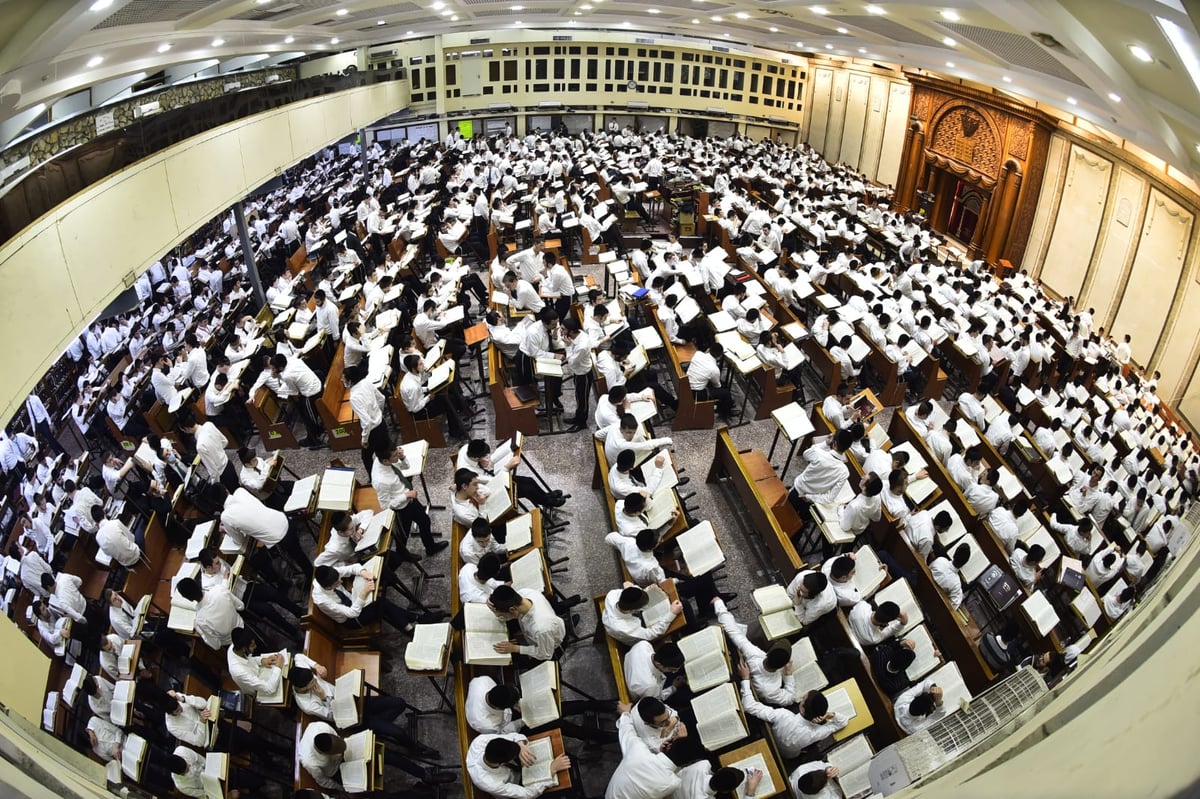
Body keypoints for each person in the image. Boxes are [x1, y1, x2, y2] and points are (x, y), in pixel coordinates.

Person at [290, 658, 447, 776]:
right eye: (311, 683)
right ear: (302, 687)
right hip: (350, 718)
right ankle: (415, 747)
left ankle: (378, 728)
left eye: (313, 678)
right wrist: (325, 698)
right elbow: (333, 716)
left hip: (353, 700)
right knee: (397, 732)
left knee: (399, 703)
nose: (315, 682)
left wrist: (316, 666)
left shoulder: (302, 671)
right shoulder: (307, 705)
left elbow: (299, 657)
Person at [737, 661, 848, 758]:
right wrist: (830, 715)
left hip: (771, 739)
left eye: (803, 699)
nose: (802, 698)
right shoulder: (814, 733)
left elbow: (749, 706)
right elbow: (842, 722)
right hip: (788, 755)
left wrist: (745, 680)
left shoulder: (783, 715)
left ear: (803, 710)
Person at [300, 722, 456, 790]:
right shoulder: (311, 763)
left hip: (346, 750)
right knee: (372, 789)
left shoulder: (319, 727)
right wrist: (343, 789)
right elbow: (324, 781)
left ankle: (424, 775)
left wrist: (343, 749)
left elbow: (339, 739)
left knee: (391, 757)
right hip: (337, 771)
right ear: (325, 754)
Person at [372, 442, 449, 557]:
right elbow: (385, 505)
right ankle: (402, 555)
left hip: (410, 499)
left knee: (424, 521)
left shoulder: (384, 460)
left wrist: (402, 457)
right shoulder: (381, 480)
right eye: (394, 455)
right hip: (401, 509)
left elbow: (406, 467)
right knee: (403, 535)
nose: (397, 456)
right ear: (385, 461)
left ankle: (430, 548)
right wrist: (406, 495)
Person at [713, 598, 795, 706]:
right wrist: (788, 675)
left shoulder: (754, 654)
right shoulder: (771, 690)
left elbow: (732, 631)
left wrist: (719, 604)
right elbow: (790, 699)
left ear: (767, 653)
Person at [465, 733, 570, 797]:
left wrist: (520, 745)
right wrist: (550, 771)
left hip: (513, 770)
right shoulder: (490, 783)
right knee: (562, 783)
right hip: (514, 785)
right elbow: (527, 794)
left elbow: (512, 736)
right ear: (503, 763)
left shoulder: (481, 741)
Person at [487, 585, 567, 662]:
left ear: (512, 609)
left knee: (521, 664)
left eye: (502, 615)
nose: (501, 617)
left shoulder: (541, 628)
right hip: (543, 632)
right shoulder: (524, 593)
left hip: (550, 645)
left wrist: (515, 648)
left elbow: (545, 654)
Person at [601, 584, 683, 646]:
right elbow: (651, 634)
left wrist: (635, 587)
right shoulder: (625, 627)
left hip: (619, 619)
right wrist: (672, 613)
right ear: (633, 611)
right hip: (634, 636)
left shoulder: (612, 595)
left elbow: (630, 592)